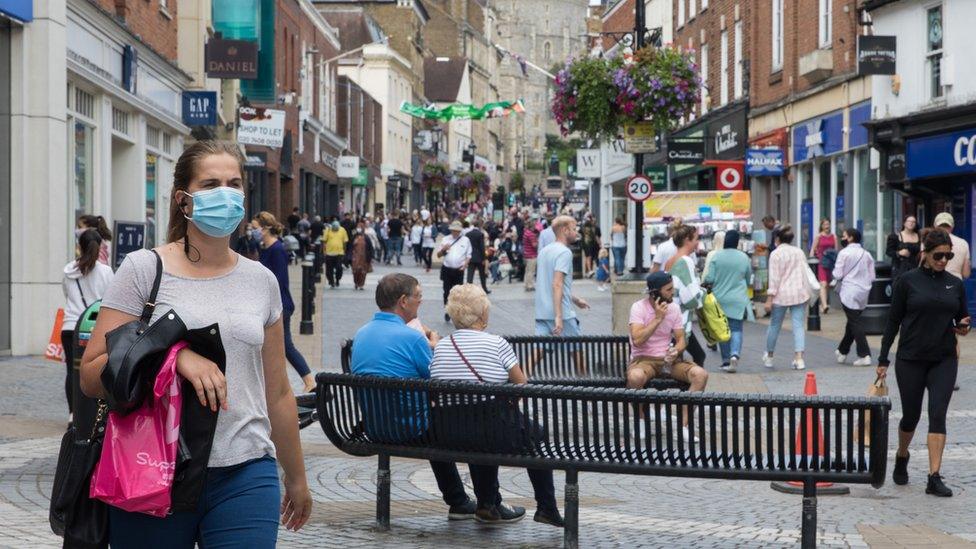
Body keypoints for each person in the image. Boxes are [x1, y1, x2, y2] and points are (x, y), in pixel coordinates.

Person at [80, 140, 311, 545]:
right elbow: (92, 374)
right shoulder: (143, 269)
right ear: (183, 200)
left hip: (245, 469)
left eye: (234, 183)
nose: (225, 193)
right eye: (210, 184)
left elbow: (276, 392)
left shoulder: (261, 281)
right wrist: (175, 358)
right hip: (151, 466)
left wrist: (296, 477)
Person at [430, 284, 563, 527]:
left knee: (483, 429)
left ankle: (488, 505)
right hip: (488, 430)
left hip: (447, 432)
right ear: (482, 314)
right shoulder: (496, 343)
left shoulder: (441, 347)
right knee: (535, 435)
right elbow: (521, 383)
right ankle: (546, 507)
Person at [350, 274, 479, 519]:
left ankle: (459, 499)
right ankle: (481, 502)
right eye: (418, 296)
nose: (421, 301)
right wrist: (434, 344)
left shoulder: (362, 333)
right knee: (474, 424)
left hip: (375, 426)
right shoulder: (412, 338)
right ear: (403, 301)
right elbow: (437, 380)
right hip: (411, 429)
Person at [878, 229, 969, 498]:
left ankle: (934, 476)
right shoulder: (907, 282)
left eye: (948, 255)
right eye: (938, 255)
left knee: (938, 414)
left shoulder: (956, 283)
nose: (943, 260)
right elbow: (893, 321)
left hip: (944, 358)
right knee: (911, 416)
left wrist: (963, 328)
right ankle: (902, 455)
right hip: (910, 359)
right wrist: (883, 358)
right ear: (925, 254)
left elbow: (962, 318)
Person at [627, 271, 708, 438]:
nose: (673, 293)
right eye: (668, 290)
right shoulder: (638, 307)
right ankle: (640, 421)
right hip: (644, 360)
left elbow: (681, 340)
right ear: (655, 293)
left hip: (668, 361)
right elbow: (637, 340)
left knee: (700, 375)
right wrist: (657, 319)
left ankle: (683, 426)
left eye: (673, 289)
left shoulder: (674, 308)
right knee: (634, 378)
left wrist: (676, 350)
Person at [254, 212, 314, 393]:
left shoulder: (277, 249)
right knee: (274, 346)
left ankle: (309, 380)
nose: (253, 232)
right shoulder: (266, 248)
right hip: (272, 305)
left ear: (265, 229)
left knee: (286, 345)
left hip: (281, 305)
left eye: (255, 228)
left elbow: (278, 280)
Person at [62, 229, 114, 417]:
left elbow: (67, 295)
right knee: (95, 370)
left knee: (71, 371)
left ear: (80, 247)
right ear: (100, 246)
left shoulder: (68, 271)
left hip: (70, 327)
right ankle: (95, 412)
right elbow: (112, 300)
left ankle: (72, 414)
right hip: (96, 329)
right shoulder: (106, 272)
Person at [702, 230, 753, 373]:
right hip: (738, 299)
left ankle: (725, 361)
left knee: (722, 329)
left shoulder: (717, 256)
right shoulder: (744, 258)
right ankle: (735, 354)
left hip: (720, 299)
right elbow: (749, 278)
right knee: (736, 328)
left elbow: (709, 279)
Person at [763, 225, 810, 370]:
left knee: (774, 326)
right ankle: (799, 358)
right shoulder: (799, 252)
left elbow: (774, 278)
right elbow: (804, 272)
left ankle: (769, 356)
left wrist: (769, 298)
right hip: (799, 293)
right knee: (798, 326)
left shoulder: (776, 254)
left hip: (780, 295)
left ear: (777, 239)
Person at [829, 228, 876, 367]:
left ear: (849, 238)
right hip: (864, 292)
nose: (842, 238)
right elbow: (872, 276)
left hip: (849, 291)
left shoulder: (844, 253)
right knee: (852, 322)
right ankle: (842, 351)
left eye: (843, 236)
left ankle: (864, 354)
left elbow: (837, 274)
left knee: (855, 323)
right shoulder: (866, 254)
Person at [664, 225, 706, 368]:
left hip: (669, 316)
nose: (697, 242)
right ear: (687, 240)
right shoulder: (686, 261)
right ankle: (692, 386)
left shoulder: (670, 261)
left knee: (680, 358)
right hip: (680, 319)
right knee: (699, 356)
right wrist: (704, 294)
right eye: (696, 239)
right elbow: (691, 299)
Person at [437, 221, 471, 323]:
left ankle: (456, 312)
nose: (455, 232)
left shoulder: (465, 240)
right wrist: (443, 249)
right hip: (447, 269)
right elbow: (438, 255)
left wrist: (465, 264)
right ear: (451, 230)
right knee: (446, 291)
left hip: (458, 270)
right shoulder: (445, 239)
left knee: (458, 293)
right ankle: (447, 310)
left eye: (457, 231)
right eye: (453, 230)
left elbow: (469, 255)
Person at [810, 219, 838, 315]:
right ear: (821, 226)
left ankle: (823, 305)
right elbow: (813, 249)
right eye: (825, 224)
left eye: (828, 224)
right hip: (822, 262)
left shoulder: (834, 236)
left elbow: (836, 250)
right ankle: (825, 305)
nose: (827, 226)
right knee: (823, 284)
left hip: (830, 263)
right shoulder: (818, 236)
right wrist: (811, 261)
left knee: (827, 285)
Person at [934, 213, 971, 281]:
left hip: (933, 284)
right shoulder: (963, 243)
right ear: (952, 226)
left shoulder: (928, 241)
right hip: (956, 285)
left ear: (935, 226)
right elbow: (966, 274)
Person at [886, 215, 920, 282]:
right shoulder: (895, 236)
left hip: (915, 268)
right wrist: (899, 253)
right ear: (904, 223)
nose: (911, 223)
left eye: (914, 222)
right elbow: (889, 252)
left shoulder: (919, 236)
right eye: (909, 221)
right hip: (900, 268)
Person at [465, 219, 490, 294]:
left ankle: (468, 290)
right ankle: (484, 288)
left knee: (470, 275)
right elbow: (482, 247)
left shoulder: (468, 234)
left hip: (471, 257)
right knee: (482, 275)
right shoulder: (480, 234)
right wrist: (484, 258)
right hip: (479, 257)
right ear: (479, 225)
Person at [350, 220, 374, 291]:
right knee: (355, 271)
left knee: (363, 272)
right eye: (358, 227)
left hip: (364, 258)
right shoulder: (354, 236)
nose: (359, 228)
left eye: (360, 227)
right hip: (355, 258)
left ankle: (361, 284)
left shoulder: (366, 237)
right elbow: (350, 247)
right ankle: (356, 283)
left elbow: (370, 247)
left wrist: (370, 257)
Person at [323, 220, 349, 288]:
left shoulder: (342, 230)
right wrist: (324, 251)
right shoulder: (328, 230)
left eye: (336, 229)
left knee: (339, 268)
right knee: (329, 269)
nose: (335, 230)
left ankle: (337, 279)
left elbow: (345, 241)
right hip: (329, 253)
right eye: (334, 229)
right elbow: (324, 241)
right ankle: (331, 281)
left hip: (339, 253)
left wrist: (344, 251)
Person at [522, 215, 540, 291]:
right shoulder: (531, 234)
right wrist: (538, 241)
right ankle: (530, 285)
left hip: (527, 254)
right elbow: (534, 245)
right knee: (531, 271)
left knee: (527, 270)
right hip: (532, 255)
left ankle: (526, 284)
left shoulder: (526, 232)